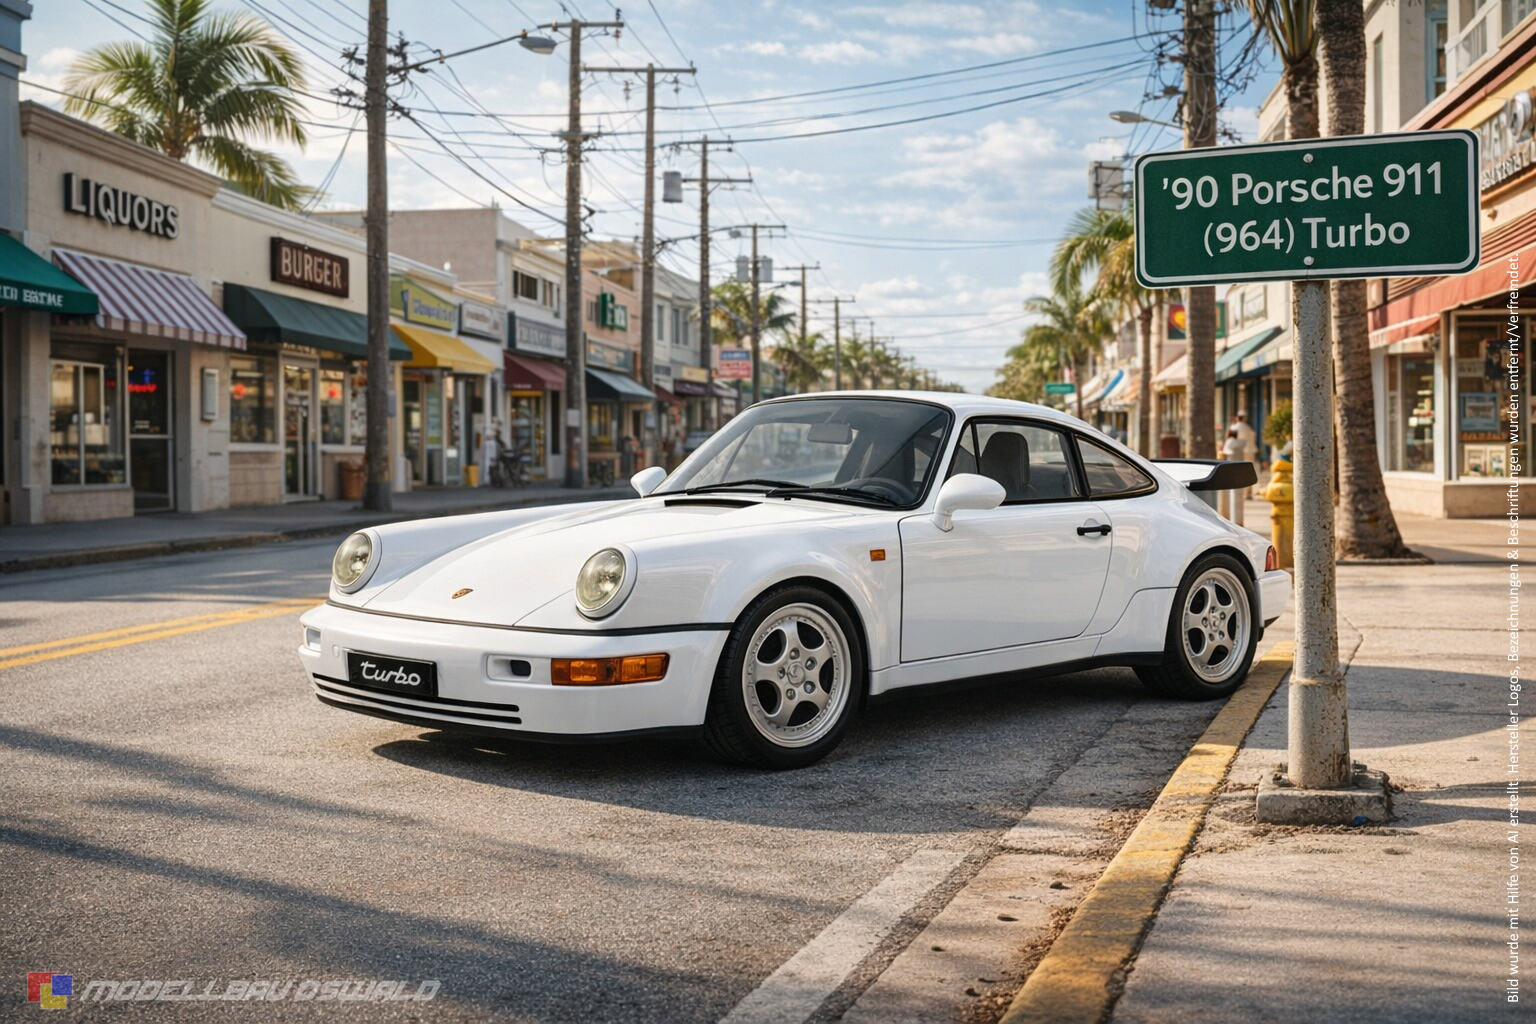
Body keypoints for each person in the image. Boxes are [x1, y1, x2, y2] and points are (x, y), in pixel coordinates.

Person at [1221, 427, 1246, 526]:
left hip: (1230, 472)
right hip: (1239, 471)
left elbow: (1224, 452)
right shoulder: (1241, 444)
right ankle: (1239, 521)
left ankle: (1233, 519)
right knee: (1239, 496)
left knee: (1232, 494)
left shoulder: (1229, 442)